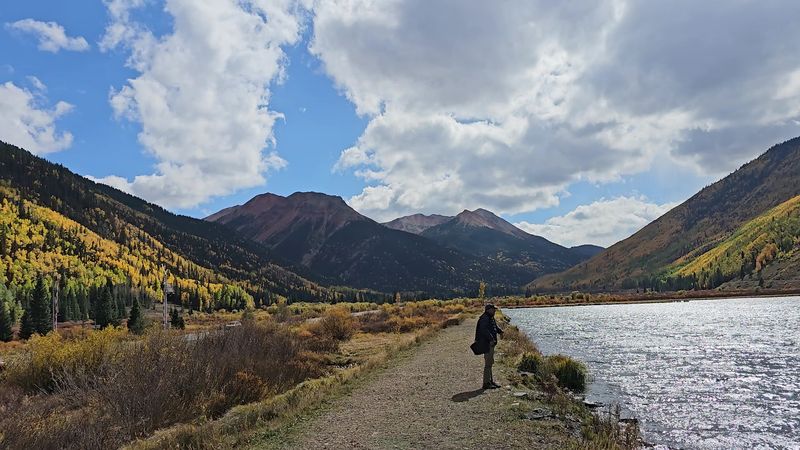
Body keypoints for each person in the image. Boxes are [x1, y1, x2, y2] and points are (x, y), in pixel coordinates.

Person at [474, 303, 503, 389]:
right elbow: (484, 330)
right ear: (488, 310)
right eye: (493, 309)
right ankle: (486, 383)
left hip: (490, 343)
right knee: (488, 363)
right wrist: (491, 339)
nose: (494, 310)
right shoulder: (485, 318)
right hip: (487, 344)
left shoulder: (489, 317)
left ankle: (490, 381)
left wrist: (500, 331)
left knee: (490, 362)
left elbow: (494, 327)